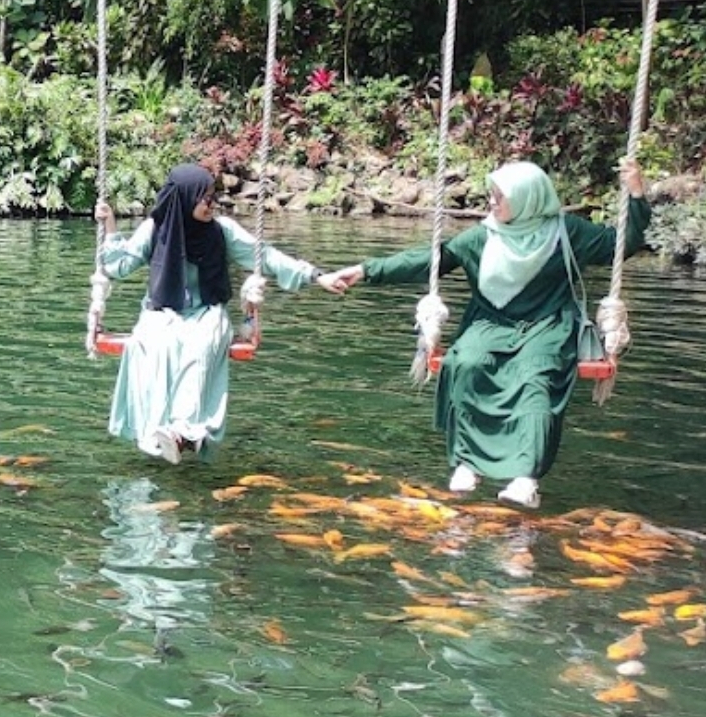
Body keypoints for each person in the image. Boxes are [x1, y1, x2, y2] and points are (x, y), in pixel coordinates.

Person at [317, 157, 650, 508]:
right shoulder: (481, 237)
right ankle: (467, 462)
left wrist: (637, 194)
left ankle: (525, 477)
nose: (491, 202)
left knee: (536, 379)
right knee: (465, 364)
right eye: (490, 194)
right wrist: (365, 270)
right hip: (491, 324)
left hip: (547, 325)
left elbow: (622, 245)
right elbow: (431, 260)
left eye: (499, 196)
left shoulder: (567, 232)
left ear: (527, 199)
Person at [91, 163, 319, 464]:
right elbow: (119, 266)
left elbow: (266, 257)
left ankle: (184, 432)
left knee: (202, 345)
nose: (213, 204)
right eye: (205, 198)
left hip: (206, 310)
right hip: (163, 309)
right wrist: (109, 227)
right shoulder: (156, 229)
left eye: (215, 197)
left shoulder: (222, 231)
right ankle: (157, 430)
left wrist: (314, 275)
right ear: (184, 198)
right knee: (154, 344)